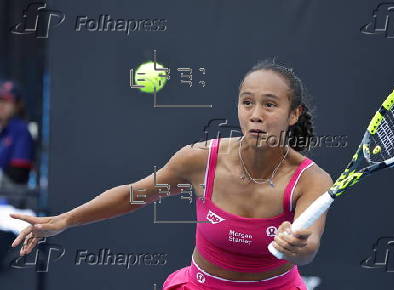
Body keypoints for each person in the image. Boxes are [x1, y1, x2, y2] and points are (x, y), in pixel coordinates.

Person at [9, 58, 333, 290]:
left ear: (294, 114)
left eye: (270, 105)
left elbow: (309, 247)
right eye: (247, 103)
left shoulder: (311, 180)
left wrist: (297, 245)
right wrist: (64, 220)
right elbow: (133, 195)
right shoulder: (200, 160)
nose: (256, 115)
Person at [0, 80, 34, 189]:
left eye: (7, 101)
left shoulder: (20, 129)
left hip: (11, 197)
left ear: (17, 105)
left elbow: (18, 175)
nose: (1, 105)